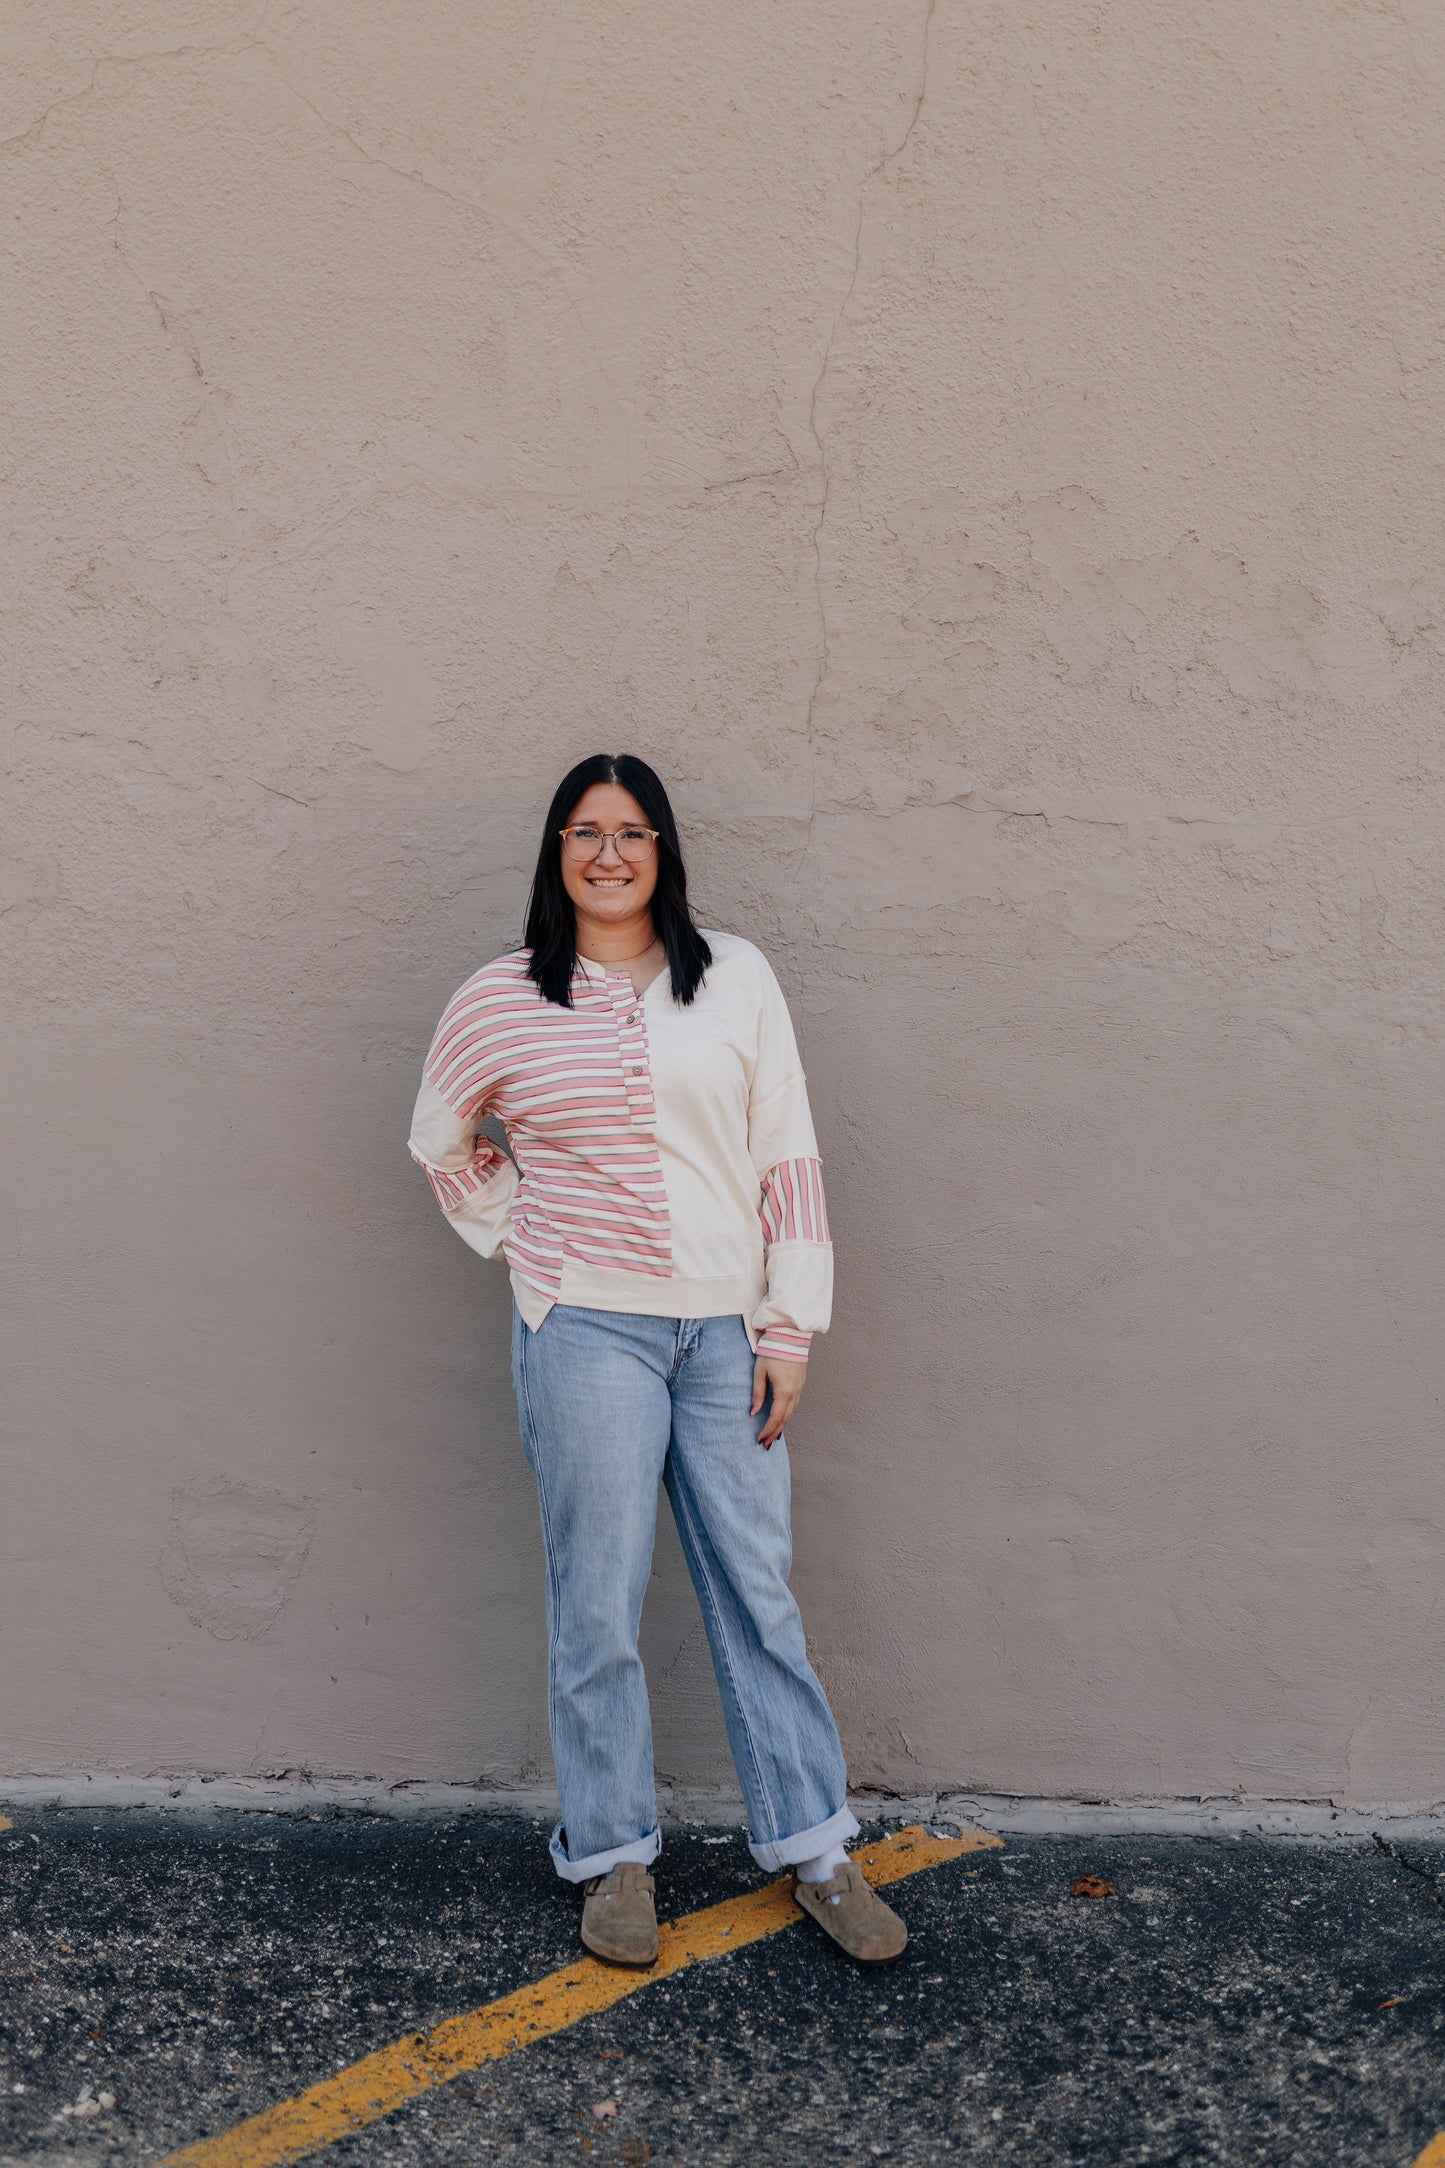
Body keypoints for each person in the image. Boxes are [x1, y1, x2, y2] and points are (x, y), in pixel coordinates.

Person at [408, 753, 906, 1970]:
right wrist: (523, 1232)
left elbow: (785, 1151)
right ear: (556, 852)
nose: (609, 852)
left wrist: (788, 1323)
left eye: (631, 830)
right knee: (598, 1594)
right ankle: (614, 1856)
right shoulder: (500, 995)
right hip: (583, 1330)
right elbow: (439, 1137)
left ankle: (814, 1850)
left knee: (757, 1586)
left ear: (663, 849)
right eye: (584, 830)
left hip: (723, 1334)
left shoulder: (733, 977)